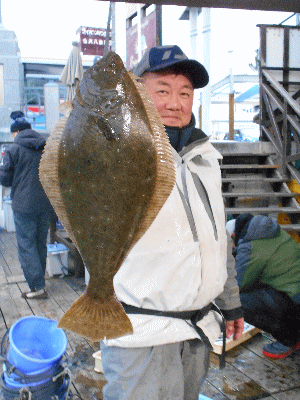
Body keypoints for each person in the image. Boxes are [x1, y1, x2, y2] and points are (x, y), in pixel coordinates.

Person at [100, 45, 244, 400]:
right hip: (140, 332)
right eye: (162, 90)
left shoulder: (205, 156)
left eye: (185, 92)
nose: (175, 103)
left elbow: (215, 237)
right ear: (136, 92)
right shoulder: (115, 152)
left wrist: (230, 302)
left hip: (197, 328)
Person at [226, 213, 300, 359]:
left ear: (234, 235)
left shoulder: (251, 246)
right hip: (294, 294)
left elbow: (236, 285)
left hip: (295, 302)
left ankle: (289, 339)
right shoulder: (267, 233)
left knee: (238, 302)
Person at [0, 111, 53, 299]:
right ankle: (40, 282)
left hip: (24, 205)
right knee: (40, 243)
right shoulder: (46, 145)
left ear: (16, 132)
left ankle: (37, 287)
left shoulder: (13, 149)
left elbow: (5, 180)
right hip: (46, 203)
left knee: (26, 245)